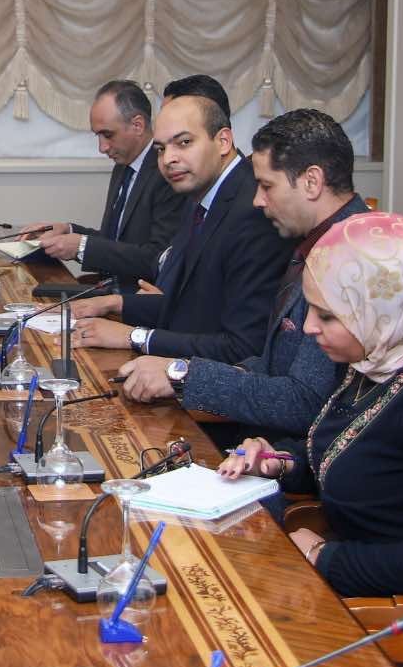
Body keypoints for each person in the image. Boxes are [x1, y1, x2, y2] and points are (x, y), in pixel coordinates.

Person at [221, 213, 403, 599]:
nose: (308, 327)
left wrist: (321, 557)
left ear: (382, 308)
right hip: (362, 577)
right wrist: (280, 462)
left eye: (327, 315)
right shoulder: (384, 350)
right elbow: (360, 460)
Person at [117, 109, 369, 439]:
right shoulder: (318, 239)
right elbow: (271, 363)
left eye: (266, 186)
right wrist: (181, 372)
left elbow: (304, 401)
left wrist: (182, 375)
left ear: (311, 182)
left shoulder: (351, 257)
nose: (258, 200)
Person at [73, 82, 293, 363]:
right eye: (161, 149)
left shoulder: (254, 208)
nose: (168, 159)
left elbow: (242, 346)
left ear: (223, 141)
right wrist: (115, 304)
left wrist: (135, 337)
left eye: (184, 142)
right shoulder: (199, 193)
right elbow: (192, 306)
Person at [21, 79, 183, 291]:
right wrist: (67, 230)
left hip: (139, 297)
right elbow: (114, 240)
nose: (102, 147)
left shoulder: (168, 172)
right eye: (98, 136)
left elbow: (156, 259)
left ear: (138, 125)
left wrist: (81, 247)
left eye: (108, 135)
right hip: (109, 288)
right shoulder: (122, 166)